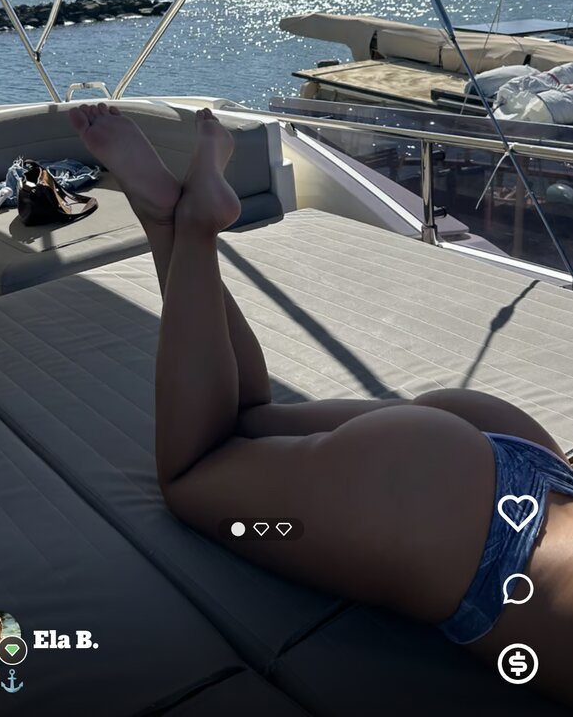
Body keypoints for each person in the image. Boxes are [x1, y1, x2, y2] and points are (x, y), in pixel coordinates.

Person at [69, 103, 573, 707]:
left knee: (248, 418)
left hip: (528, 459)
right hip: (456, 530)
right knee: (192, 471)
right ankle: (196, 227)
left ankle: (168, 222)